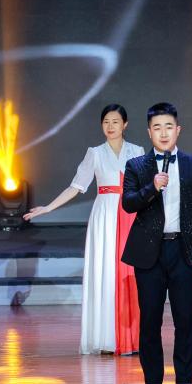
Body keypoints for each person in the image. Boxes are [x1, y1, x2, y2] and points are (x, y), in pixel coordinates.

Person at [24, 104, 145, 355]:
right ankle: (107, 339)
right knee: (105, 272)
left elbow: (147, 188)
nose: (110, 126)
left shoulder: (138, 151)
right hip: (105, 216)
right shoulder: (95, 153)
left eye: (115, 121)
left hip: (131, 214)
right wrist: (48, 208)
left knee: (132, 275)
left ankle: (133, 338)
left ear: (125, 124)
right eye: (106, 122)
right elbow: (76, 186)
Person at [120, 103, 192, 384]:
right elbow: (128, 203)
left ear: (178, 130)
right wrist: (152, 187)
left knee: (185, 321)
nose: (163, 133)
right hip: (149, 253)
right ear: (149, 132)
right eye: (157, 128)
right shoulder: (136, 165)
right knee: (150, 322)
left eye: (168, 127)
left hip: (184, 252)